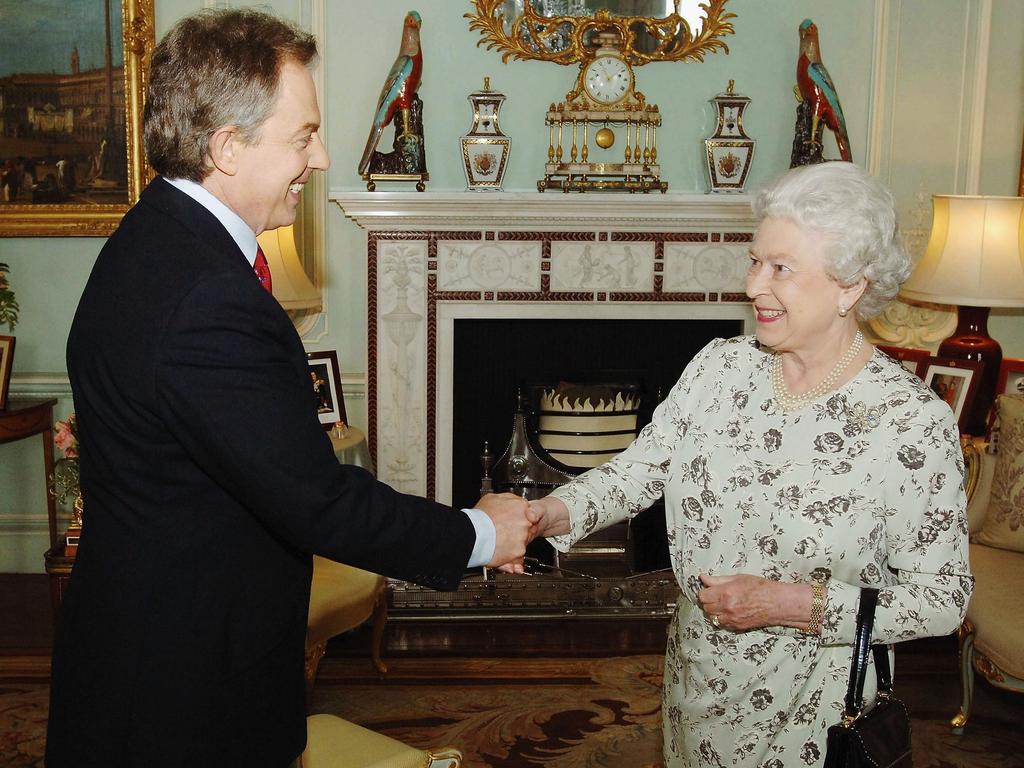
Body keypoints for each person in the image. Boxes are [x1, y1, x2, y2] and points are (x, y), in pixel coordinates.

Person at [47, 10, 536, 768]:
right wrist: (480, 533)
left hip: (152, 645)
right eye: (303, 136)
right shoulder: (206, 296)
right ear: (228, 147)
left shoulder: (154, 237)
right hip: (183, 693)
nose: (322, 157)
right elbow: (319, 501)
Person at [522, 162, 973, 767]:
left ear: (851, 287)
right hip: (696, 685)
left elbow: (942, 600)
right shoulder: (719, 369)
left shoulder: (911, 422)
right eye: (754, 260)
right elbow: (639, 470)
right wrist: (545, 512)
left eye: (781, 268)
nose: (755, 285)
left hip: (817, 709)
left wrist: (790, 603)